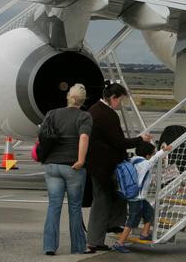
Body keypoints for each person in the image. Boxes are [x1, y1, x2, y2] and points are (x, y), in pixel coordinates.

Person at [86, 82, 152, 252]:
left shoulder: (94, 109)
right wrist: (140, 140)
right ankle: (95, 240)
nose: (119, 105)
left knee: (115, 195)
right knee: (103, 201)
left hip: (96, 164)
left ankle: (112, 225)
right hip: (104, 166)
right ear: (113, 98)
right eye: (120, 100)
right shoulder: (107, 114)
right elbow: (118, 142)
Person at [41, 84, 92, 256]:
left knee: (53, 206)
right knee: (74, 207)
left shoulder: (52, 113)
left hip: (52, 164)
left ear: (68, 96)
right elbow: (84, 138)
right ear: (83, 100)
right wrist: (81, 160)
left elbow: (42, 135)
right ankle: (78, 246)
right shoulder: (84, 116)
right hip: (72, 166)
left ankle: (49, 246)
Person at [111, 142, 172, 253]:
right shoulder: (145, 164)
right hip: (137, 197)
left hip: (137, 196)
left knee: (149, 211)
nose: (153, 155)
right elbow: (155, 159)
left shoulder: (133, 160)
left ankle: (144, 234)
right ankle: (119, 243)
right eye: (152, 153)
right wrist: (164, 150)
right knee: (132, 220)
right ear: (148, 156)